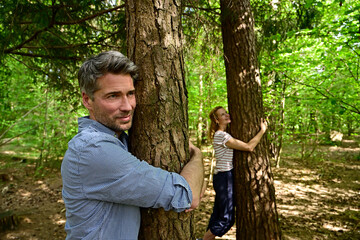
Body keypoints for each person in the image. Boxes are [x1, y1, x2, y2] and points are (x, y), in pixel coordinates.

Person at [61, 50, 204, 240]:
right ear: (87, 100)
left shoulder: (120, 141)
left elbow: (198, 191)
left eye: (130, 93)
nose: (127, 106)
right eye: (113, 96)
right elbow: (190, 195)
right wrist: (198, 156)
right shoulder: (93, 149)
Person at [200, 106, 268, 240]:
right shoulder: (222, 136)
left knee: (218, 215)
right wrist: (262, 131)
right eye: (222, 114)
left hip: (222, 176)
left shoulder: (222, 134)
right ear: (217, 120)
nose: (227, 115)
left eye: (226, 112)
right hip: (224, 177)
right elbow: (249, 147)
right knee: (226, 219)